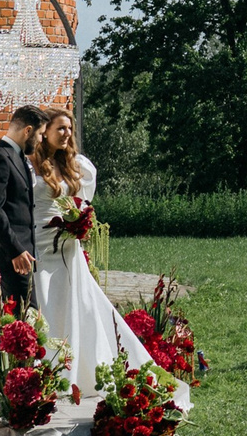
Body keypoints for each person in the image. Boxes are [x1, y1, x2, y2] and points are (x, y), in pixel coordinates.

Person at [26, 108, 154, 393]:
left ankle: (82, 366)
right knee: (47, 303)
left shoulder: (76, 166)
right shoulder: (30, 164)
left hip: (68, 246)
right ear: (45, 131)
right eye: (60, 128)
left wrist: (79, 223)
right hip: (41, 244)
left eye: (69, 129)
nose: (66, 133)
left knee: (77, 303)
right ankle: (47, 369)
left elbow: (80, 203)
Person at [0, 102, 49, 310]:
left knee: (3, 323)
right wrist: (15, 251)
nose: (41, 140)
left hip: (21, 255)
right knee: (23, 317)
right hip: (10, 257)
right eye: (40, 134)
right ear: (28, 130)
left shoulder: (16, 157)